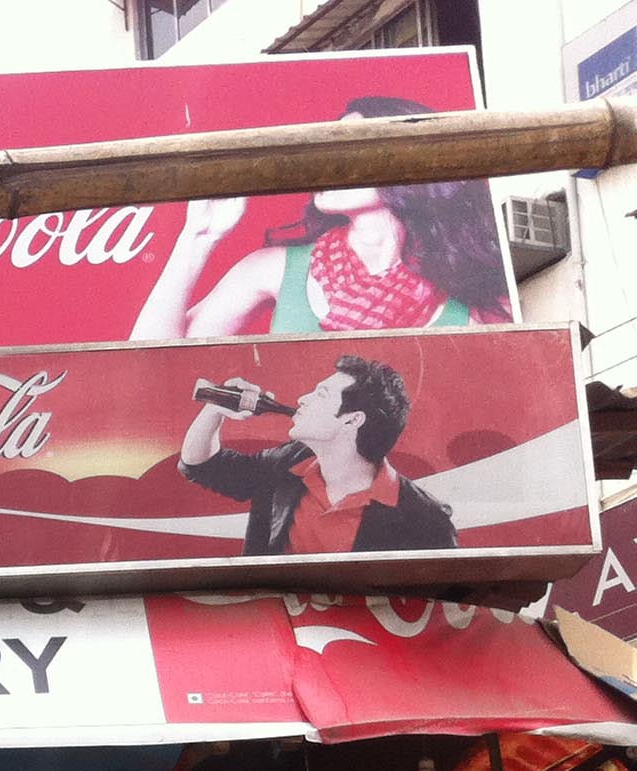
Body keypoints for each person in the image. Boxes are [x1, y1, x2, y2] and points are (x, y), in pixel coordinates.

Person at [133, 97, 514, 341]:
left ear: (409, 160)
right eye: (325, 147)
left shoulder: (472, 284)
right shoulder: (278, 269)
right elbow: (149, 362)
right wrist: (198, 236)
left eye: (347, 148)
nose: (325, 161)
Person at [179, 354, 457, 557]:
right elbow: (201, 465)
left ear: (352, 420)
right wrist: (215, 409)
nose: (302, 399)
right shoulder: (289, 463)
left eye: (321, 394)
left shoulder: (426, 520)